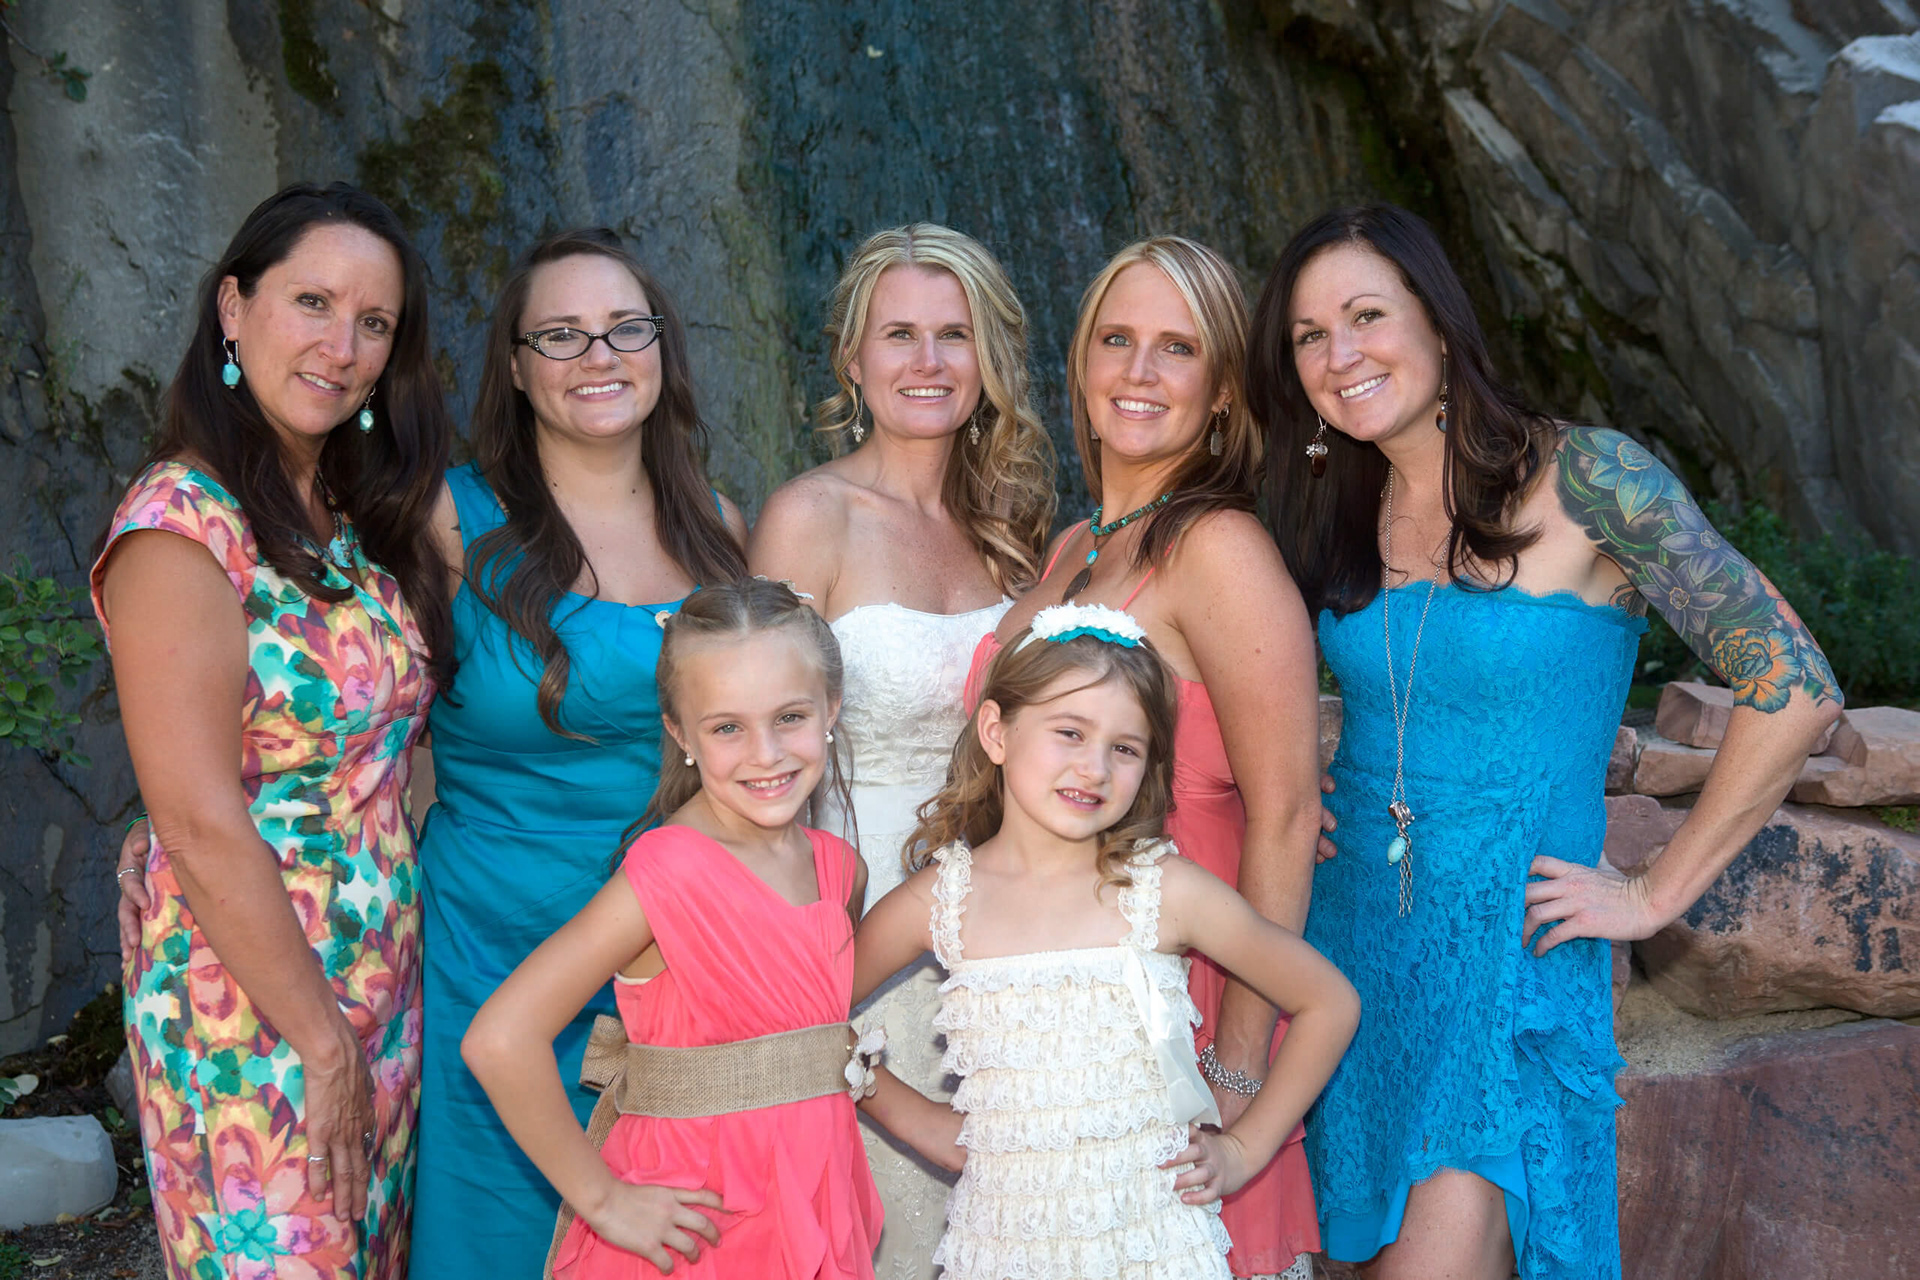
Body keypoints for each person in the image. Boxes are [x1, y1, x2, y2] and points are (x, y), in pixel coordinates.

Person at [1247, 203, 1843, 1280]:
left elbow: (1794, 685)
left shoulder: (1592, 479)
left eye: (1367, 315)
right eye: (1309, 335)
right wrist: (1296, 798)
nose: (1340, 356)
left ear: (1438, 321)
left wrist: (1654, 892)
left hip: (1504, 963)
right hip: (1349, 946)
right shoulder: (1330, 503)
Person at [93, 182, 454, 1278]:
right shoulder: (179, 525)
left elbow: (370, 748)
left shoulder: (341, 514)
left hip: (377, 987)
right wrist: (321, 1041)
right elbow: (201, 818)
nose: (342, 347)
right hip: (255, 1010)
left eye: (374, 322)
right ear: (233, 307)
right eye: (312, 302)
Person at [966, 237, 1325, 1278]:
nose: (1139, 371)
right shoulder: (1075, 546)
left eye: (1178, 347)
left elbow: (1288, 811)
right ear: (1081, 366)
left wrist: (1238, 1067)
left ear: (1223, 390)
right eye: (1116, 340)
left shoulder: (1218, 548)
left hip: (1183, 1000)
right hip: (1068, 1003)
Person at [857, 604, 1360, 1280]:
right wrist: (913, 1115)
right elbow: (804, 1011)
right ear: (996, 732)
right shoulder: (938, 902)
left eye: (1125, 748)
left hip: (1155, 1249)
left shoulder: (1166, 890)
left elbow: (1329, 1002)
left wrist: (1243, 1151)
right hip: (1003, 1249)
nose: (1094, 767)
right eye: (1070, 732)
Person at [748, 223, 1054, 1279]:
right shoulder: (809, 516)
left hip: (1005, 916)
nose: (928, 361)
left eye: (954, 335)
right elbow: (758, 750)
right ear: (852, 358)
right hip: (859, 914)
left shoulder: (1013, 526)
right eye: (899, 335)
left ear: (989, 356)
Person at [461, 579, 883, 1280]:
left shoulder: (840, 871)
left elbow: (816, 1045)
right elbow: (500, 1039)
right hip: (691, 1236)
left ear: (831, 709)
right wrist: (604, 1200)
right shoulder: (668, 872)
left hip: (809, 1211)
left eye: (790, 717)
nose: (766, 753)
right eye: (727, 728)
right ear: (681, 734)